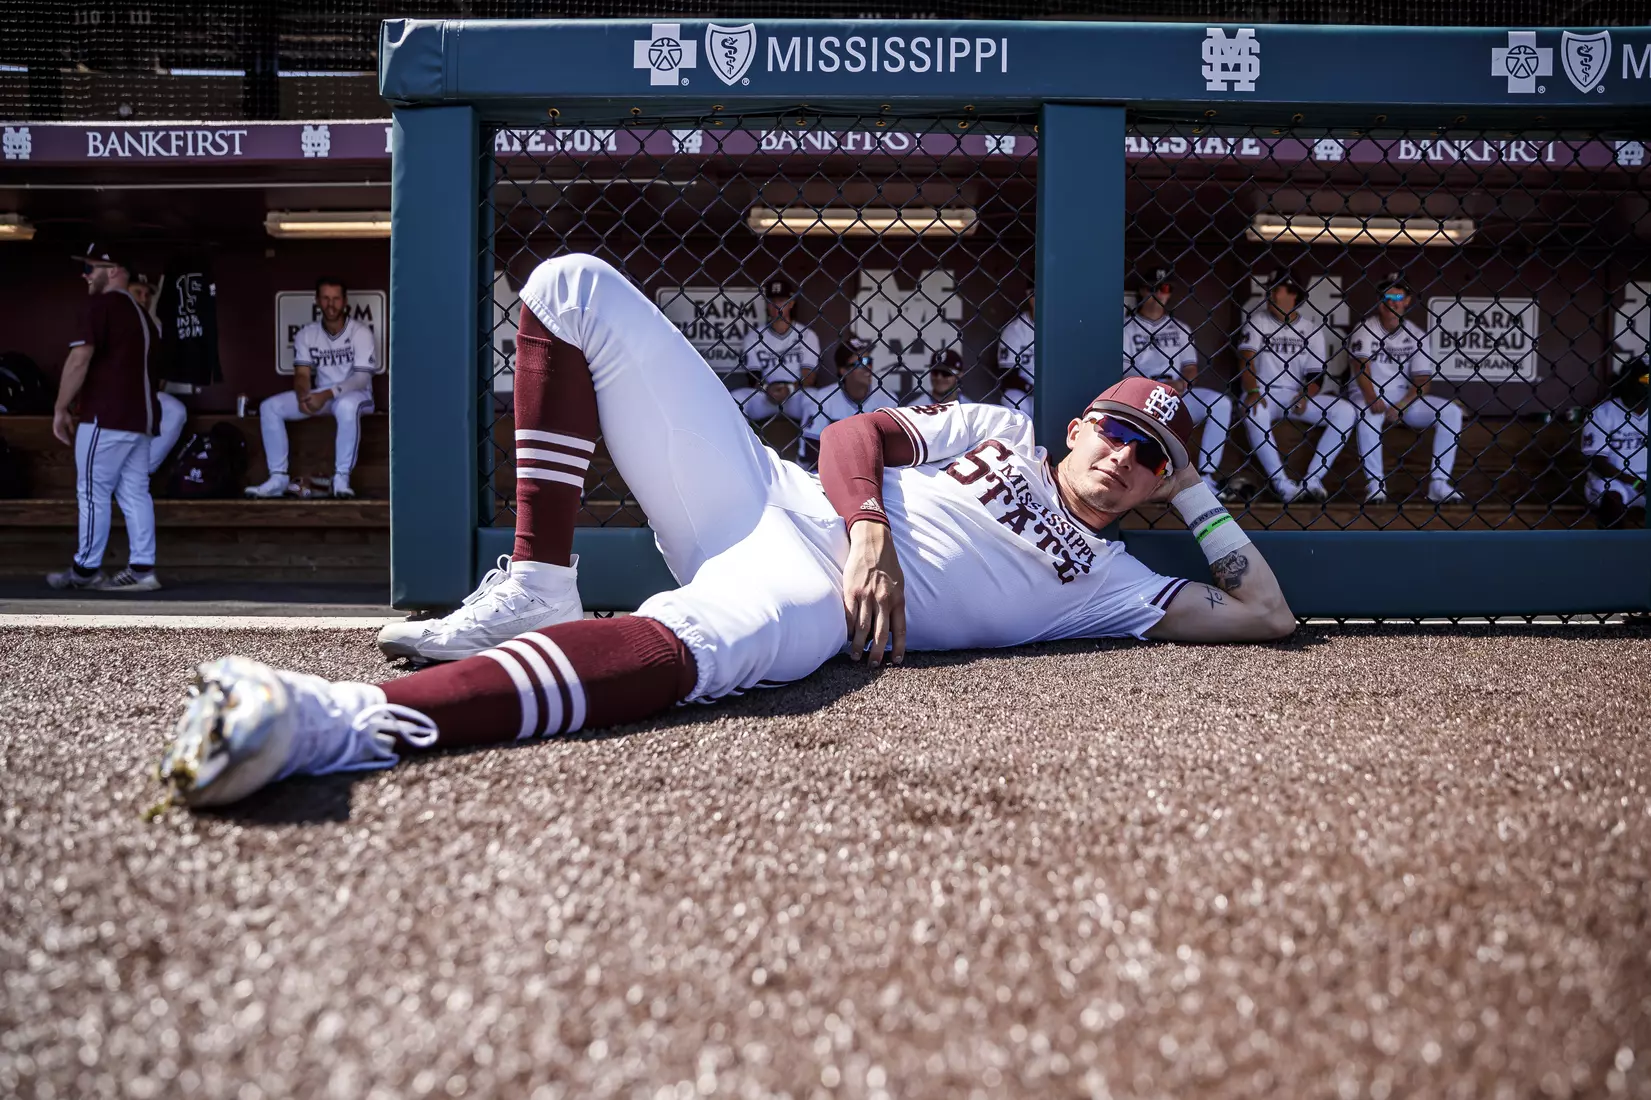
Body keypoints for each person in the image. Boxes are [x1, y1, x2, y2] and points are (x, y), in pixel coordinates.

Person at [154, 253, 1296, 811]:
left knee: (707, 650)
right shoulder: (997, 424)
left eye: (1147, 454)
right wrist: (869, 533)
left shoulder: (1112, 577)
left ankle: (334, 724)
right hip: (772, 493)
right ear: (1080, 416)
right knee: (571, 286)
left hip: (808, 597)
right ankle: (541, 574)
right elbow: (854, 439)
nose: (1117, 453)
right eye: (1111, 426)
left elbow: (1265, 614)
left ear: (1157, 482)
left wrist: (1197, 497)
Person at [47, 244, 164, 593]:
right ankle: (142, 569)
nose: (85, 275)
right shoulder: (145, 316)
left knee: (93, 493)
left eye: (90, 267)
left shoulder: (102, 305)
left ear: (112, 271)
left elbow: (80, 359)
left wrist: (60, 407)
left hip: (107, 416)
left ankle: (85, 571)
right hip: (140, 419)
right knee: (135, 493)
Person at [246, 277, 377, 500]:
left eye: (336, 298)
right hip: (324, 396)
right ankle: (278, 478)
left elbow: (361, 379)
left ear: (345, 302)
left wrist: (325, 395)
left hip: (358, 396)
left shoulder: (360, 332)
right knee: (270, 407)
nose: (331, 304)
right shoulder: (307, 334)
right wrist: (302, 395)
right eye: (325, 298)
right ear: (317, 301)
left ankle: (341, 478)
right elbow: (302, 374)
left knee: (346, 406)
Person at [1237, 272, 1362, 503]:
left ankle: (1313, 479)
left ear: (1293, 295)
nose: (1271, 295)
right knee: (1256, 412)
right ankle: (1281, 483)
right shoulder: (1258, 322)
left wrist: (1306, 395)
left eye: (1277, 291)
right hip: (1263, 391)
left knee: (1345, 411)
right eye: (1270, 291)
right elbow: (1246, 360)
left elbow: (1316, 376)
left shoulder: (1310, 329)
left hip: (1294, 394)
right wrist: (1253, 392)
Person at [1345, 277, 1465, 503]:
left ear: (1407, 301)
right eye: (1387, 297)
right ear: (1380, 302)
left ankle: (1439, 484)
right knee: (1368, 415)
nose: (1393, 302)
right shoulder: (1365, 329)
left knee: (1451, 412)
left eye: (1398, 297)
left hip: (1402, 398)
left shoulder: (1416, 334)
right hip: (1366, 394)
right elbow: (1361, 368)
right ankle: (1375, 485)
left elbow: (1422, 379)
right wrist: (1372, 398)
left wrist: (1403, 405)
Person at [1121, 267, 1234, 498]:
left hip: (1176, 393)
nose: (1159, 294)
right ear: (1143, 290)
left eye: (1165, 288)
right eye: (1154, 288)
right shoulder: (1126, 327)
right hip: (1143, 396)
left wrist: (1184, 382)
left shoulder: (1180, 328)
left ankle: (1207, 476)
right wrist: (1148, 384)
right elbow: (1123, 372)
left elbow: (1190, 368)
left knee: (1221, 403)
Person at [787, 337, 899, 469]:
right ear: (843, 370)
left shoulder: (887, 398)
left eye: (869, 361)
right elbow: (811, 453)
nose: (867, 367)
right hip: (821, 474)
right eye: (860, 362)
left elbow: (896, 449)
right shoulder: (822, 399)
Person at [729, 278, 821, 423]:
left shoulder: (807, 335)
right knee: (736, 398)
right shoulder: (754, 337)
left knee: (817, 399)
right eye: (772, 301)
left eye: (781, 300)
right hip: (765, 395)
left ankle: (806, 447)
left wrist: (789, 389)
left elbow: (809, 377)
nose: (776, 306)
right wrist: (767, 389)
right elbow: (754, 378)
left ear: (791, 303)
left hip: (795, 394)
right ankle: (738, 446)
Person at [128, 273, 187, 476]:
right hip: (111, 399)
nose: (144, 298)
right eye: (138, 292)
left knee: (175, 411)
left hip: (141, 396)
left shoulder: (156, 330)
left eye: (148, 294)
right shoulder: (109, 319)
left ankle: (139, 473)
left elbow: (160, 377)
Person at [1581, 353, 1648, 529]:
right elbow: (1597, 462)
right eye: (1646, 378)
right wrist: (1635, 482)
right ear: (1628, 381)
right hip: (1614, 481)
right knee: (1613, 498)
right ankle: (1613, 551)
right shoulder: (1602, 413)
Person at [997, 292, 1035, 416]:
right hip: (1024, 391)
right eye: (1034, 294)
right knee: (1014, 400)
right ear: (1029, 295)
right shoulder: (1015, 330)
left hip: (1053, 390)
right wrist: (1031, 388)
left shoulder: (1059, 326)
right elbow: (1007, 376)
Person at [906, 347, 972, 406]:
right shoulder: (915, 408)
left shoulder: (970, 408)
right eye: (935, 372)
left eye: (945, 373)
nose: (939, 378)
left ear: (959, 375)